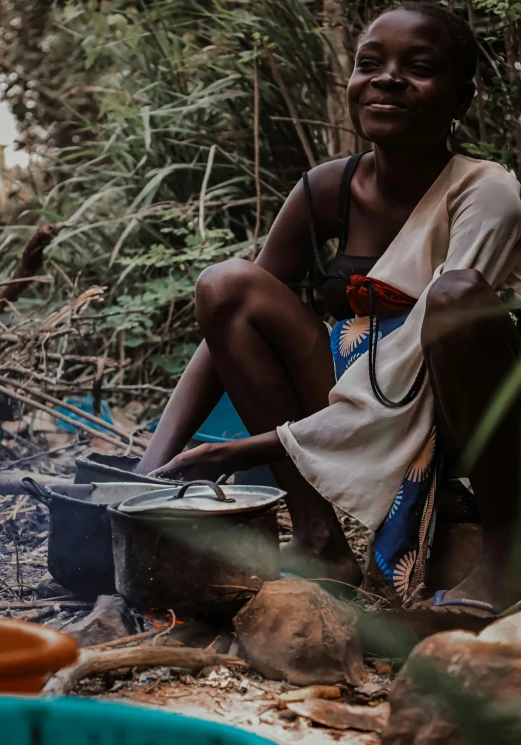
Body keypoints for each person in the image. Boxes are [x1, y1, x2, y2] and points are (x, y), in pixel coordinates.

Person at [138, 1, 521, 616]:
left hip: (457, 412)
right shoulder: (326, 189)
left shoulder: (488, 192)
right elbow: (227, 322)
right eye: (370, 63)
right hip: (356, 388)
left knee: (454, 301)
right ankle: (320, 540)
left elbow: (408, 373)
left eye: (419, 67)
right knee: (226, 284)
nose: (387, 78)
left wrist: (251, 447)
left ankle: (505, 554)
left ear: (461, 98)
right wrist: (151, 469)